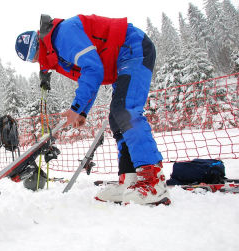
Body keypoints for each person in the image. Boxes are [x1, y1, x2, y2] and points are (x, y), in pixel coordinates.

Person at [15, 14, 171, 205]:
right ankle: (130, 179)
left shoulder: (62, 36)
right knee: (116, 117)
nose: (37, 62)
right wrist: (82, 111)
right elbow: (90, 76)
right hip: (120, 59)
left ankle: (153, 180)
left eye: (34, 58)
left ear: (37, 48)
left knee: (125, 110)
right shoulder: (55, 51)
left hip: (132, 47)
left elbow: (93, 68)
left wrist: (76, 108)